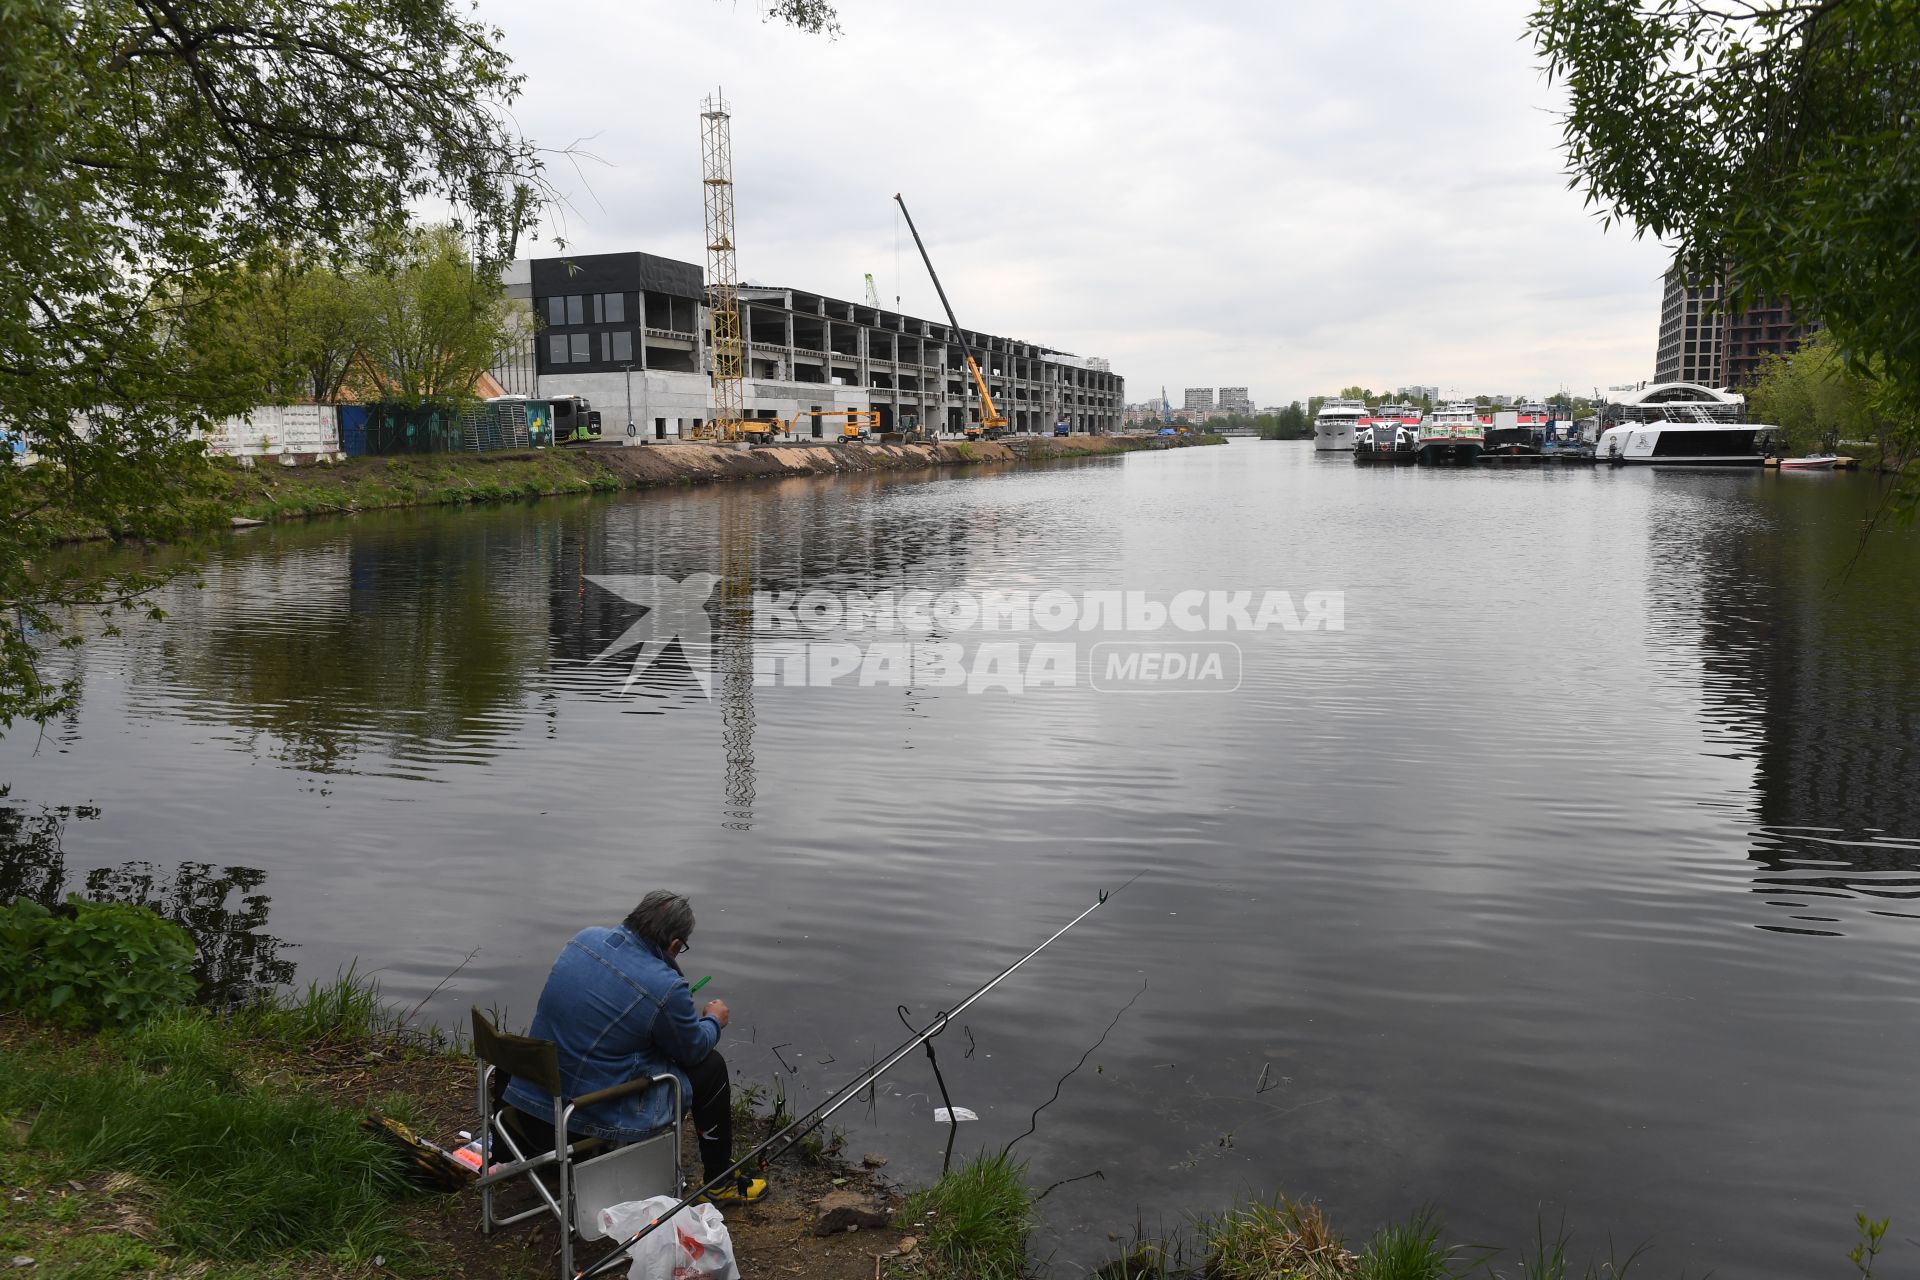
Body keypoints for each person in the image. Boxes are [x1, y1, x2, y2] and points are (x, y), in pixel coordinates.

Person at [503, 890, 767, 1202]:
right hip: (580, 1123)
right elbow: (692, 1050)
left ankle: (551, 1163)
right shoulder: (665, 985)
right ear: (674, 945)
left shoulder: (583, 940)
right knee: (710, 1068)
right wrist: (712, 1021)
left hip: (525, 1109)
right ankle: (719, 1180)